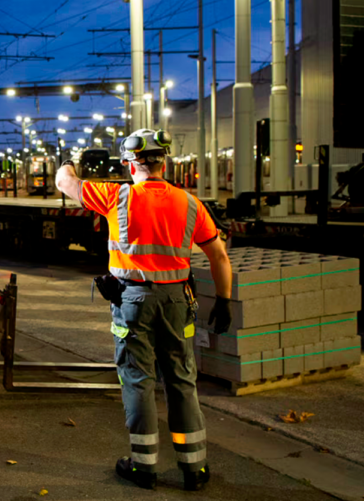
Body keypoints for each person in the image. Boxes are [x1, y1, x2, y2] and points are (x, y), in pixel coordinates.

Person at [55, 128, 233, 492]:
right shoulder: (189, 203)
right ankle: (194, 468)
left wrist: (70, 162)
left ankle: (144, 466)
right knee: (182, 380)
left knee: (138, 380)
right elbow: (219, 255)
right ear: (164, 162)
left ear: (129, 163)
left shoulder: (116, 196)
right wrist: (224, 300)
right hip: (178, 303)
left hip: (133, 302)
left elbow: (64, 181)